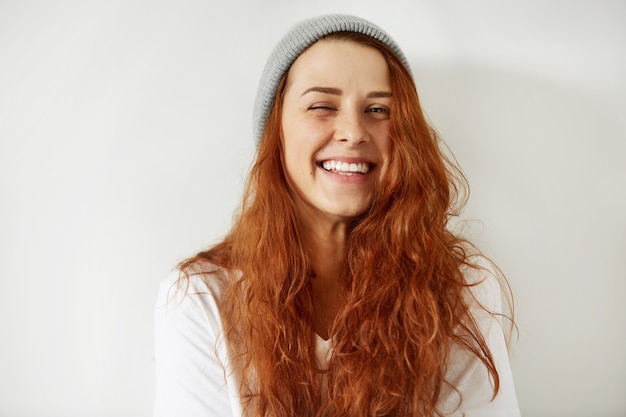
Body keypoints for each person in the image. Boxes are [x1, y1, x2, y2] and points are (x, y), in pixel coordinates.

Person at [153, 14, 521, 417]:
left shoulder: (464, 289)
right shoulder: (202, 299)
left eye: (378, 109)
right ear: (275, 132)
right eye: (322, 106)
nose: (353, 131)